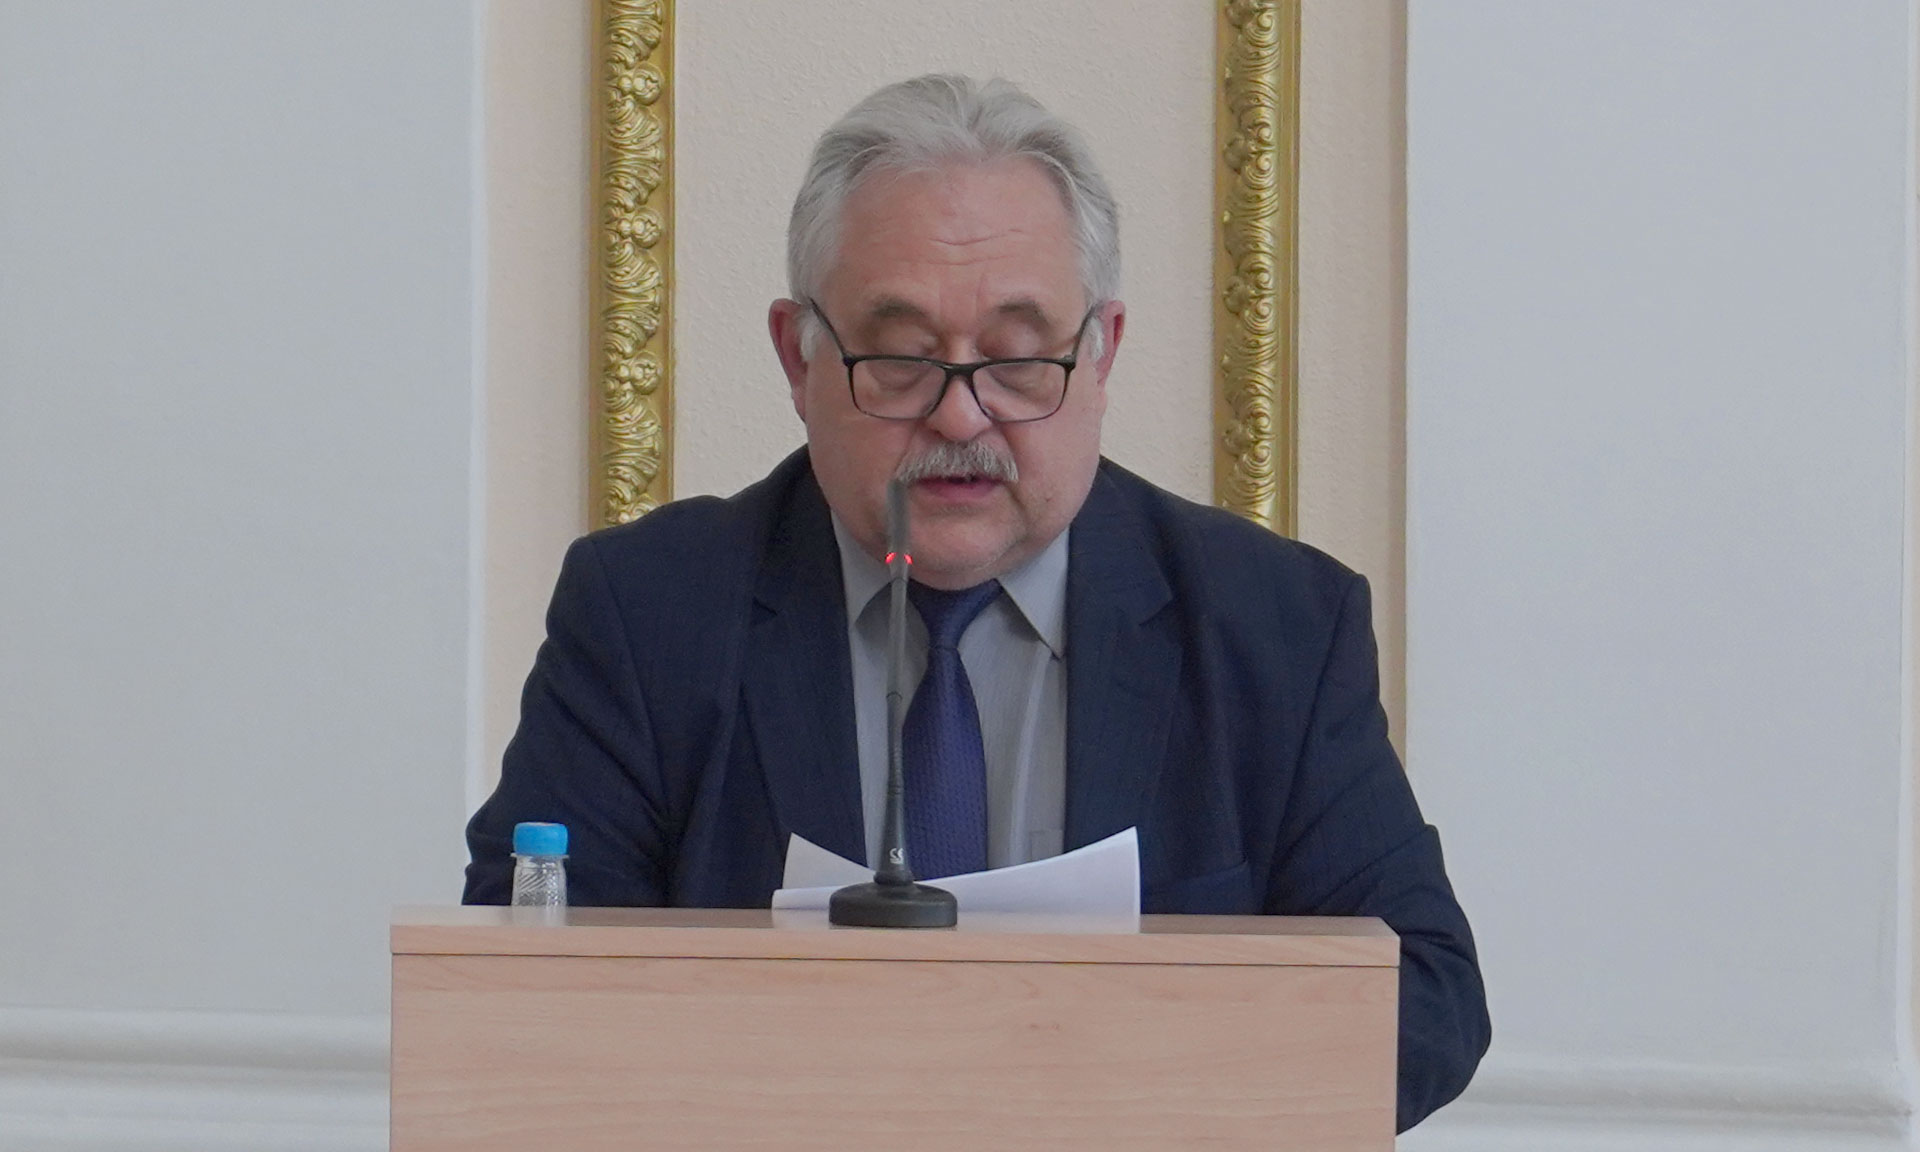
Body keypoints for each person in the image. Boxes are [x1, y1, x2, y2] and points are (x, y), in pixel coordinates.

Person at [464, 73, 1488, 1130]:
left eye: (1017, 358)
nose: (961, 416)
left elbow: (1425, 1000)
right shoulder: (650, 612)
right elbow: (522, 981)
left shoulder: (1274, 622)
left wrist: (1097, 1087)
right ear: (798, 356)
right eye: (902, 359)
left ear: (1101, 352)